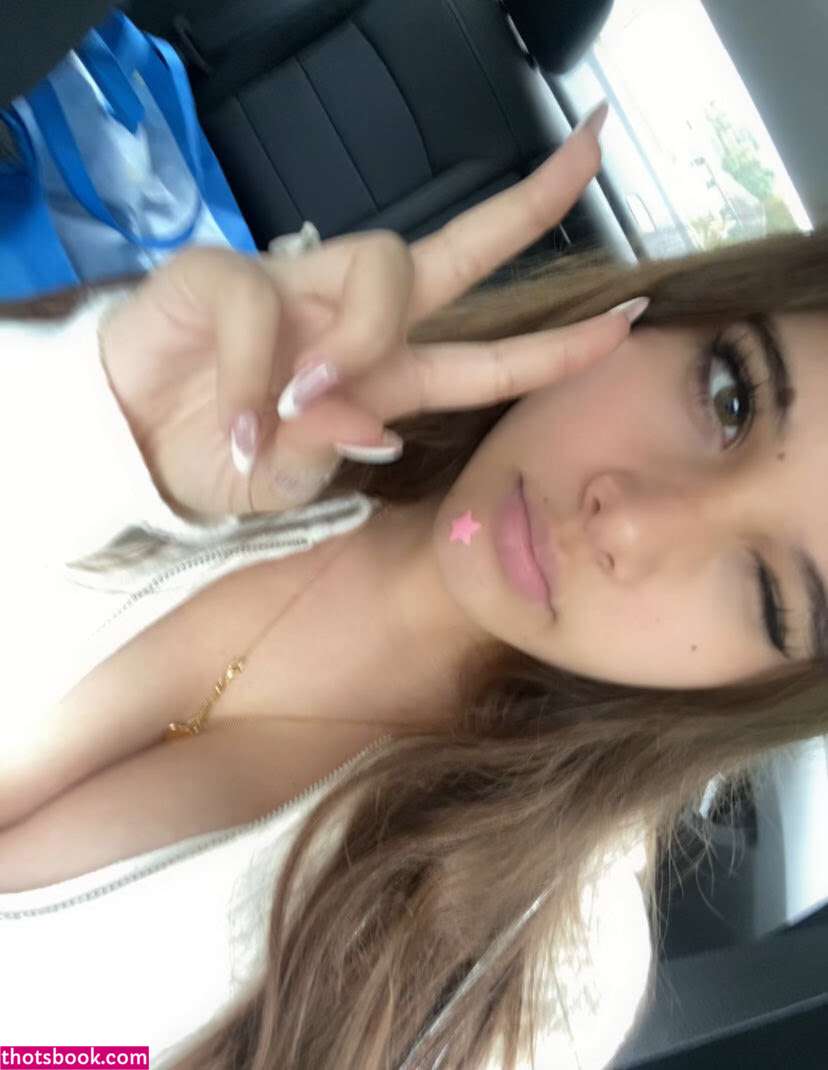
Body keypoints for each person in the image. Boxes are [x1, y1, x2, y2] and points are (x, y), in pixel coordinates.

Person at [0, 98, 827, 1069]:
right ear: (674, 316)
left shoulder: (541, 979)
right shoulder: (252, 385)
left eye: (768, 595)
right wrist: (88, 429)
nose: (632, 523)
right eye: (730, 399)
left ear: (751, 693)